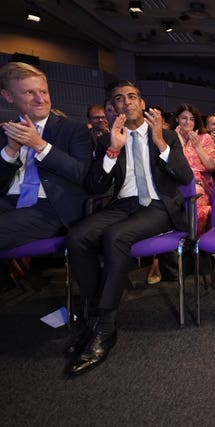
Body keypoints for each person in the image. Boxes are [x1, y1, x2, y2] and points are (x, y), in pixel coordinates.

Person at [65, 80, 193, 376]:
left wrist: (160, 141)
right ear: (113, 108)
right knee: (77, 237)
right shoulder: (108, 139)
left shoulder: (169, 135)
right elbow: (94, 185)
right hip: (123, 205)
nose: (127, 102)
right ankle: (98, 312)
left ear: (142, 102)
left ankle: (104, 326)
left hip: (159, 206)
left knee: (116, 237)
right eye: (120, 99)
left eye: (132, 96)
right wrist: (112, 150)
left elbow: (185, 177)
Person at [0, 61, 92, 250]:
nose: (40, 99)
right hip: (8, 203)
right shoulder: (5, 131)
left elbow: (81, 174)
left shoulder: (74, 129)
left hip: (50, 207)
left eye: (43, 92)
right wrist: (10, 151)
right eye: (29, 93)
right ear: (8, 96)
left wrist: (39, 145)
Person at [146, 103, 215, 284]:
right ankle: (160, 258)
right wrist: (177, 140)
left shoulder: (204, 138)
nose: (188, 122)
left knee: (198, 197)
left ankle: (194, 249)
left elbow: (211, 166)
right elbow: (168, 166)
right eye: (184, 118)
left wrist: (197, 147)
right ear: (177, 119)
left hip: (201, 185)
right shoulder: (168, 137)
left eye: (192, 119)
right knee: (163, 204)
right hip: (174, 184)